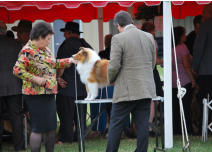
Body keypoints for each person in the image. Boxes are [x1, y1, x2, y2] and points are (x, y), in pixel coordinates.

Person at [13, 21, 76, 152]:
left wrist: (69, 60)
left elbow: (52, 63)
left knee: (51, 127)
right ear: (40, 37)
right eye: (48, 39)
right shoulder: (27, 50)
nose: (49, 42)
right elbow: (17, 70)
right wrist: (35, 78)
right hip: (35, 95)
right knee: (38, 128)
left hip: (48, 92)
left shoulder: (45, 50)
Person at [106, 11, 156, 152]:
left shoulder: (118, 39)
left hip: (125, 90)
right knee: (143, 126)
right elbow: (152, 64)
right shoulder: (149, 37)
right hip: (145, 89)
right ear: (132, 22)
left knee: (116, 125)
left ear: (118, 25)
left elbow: (114, 65)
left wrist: (110, 79)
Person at [56, 22, 92, 144]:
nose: (64, 35)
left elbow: (63, 63)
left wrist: (57, 77)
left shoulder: (66, 45)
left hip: (67, 86)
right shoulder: (85, 45)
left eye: (65, 32)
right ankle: (80, 137)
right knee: (80, 116)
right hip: (81, 87)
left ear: (69, 33)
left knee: (66, 114)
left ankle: (65, 138)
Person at [0, 21, 24, 152]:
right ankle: (18, 147)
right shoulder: (16, 44)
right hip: (14, 86)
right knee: (16, 118)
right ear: (5, 30)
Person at [192, 4, 212, 133]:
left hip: (207, 70)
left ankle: (204, 127)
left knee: (204, 100)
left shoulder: (206, 26)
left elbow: (199, 48)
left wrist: (195, 66)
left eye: (204, 12)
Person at [172, 26, 196, 135]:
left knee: (175, 109)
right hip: (184, 81)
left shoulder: (170, 48)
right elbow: (186, 66)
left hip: (172, 83)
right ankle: (188, 130)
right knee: (186, 108)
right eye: (184, 34)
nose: (186, 36)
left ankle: (176, 130)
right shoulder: (182, 47)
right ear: (180, 36)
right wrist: (193, 80)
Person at [141, 21, 163, 136]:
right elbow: (155, 61)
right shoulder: (152, 41)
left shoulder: (139, 41)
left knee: (144, 101)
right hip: (151, 73)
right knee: (154, 100)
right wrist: (165, 61)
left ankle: (143, 125)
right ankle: (149, 126)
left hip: (141, 73)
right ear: (151, 31)